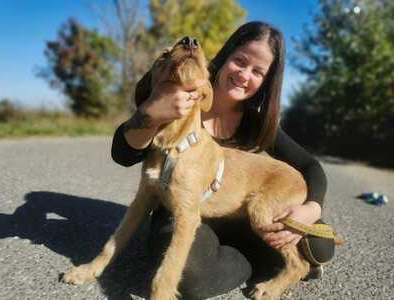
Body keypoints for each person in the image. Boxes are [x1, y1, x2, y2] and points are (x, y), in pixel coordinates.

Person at [111, 21, 334, 299]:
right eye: (240, 61)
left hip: (237, 209)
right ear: (225, 56)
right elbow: (122, 154)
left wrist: (312, 208)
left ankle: (275, 254)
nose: (244, 75)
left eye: (257, 71)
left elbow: (311, 167)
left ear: (266, 81)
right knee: (190, 277)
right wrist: (152, 113)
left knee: (321, 246)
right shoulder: (187, 91)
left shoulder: (258, 121)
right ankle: (264, 260)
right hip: (184, 210)